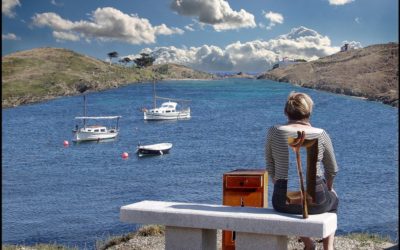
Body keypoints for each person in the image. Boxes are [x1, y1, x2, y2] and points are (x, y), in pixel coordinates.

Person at [265, 92, 339, 250]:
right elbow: (332, 170)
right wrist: (329, 187)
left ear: (286, 111)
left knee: (295, 198)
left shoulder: (274, 131)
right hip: (316, 201)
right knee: (334, 200)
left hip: (282, 201)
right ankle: (328, 247)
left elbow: (269, 165)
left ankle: (308, 244)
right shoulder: (321, 134)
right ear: (309, 112)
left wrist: (277, 183)